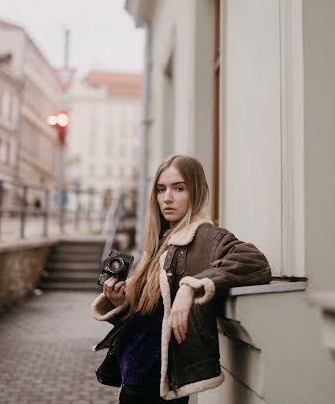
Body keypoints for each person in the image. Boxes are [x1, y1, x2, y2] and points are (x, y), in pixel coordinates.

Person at [92, 154, 271, 403]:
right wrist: (120, 303)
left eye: (179, 188)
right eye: (161, 189)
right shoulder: (159, 243)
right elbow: (147, 316)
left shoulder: (207, 237)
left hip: (161, 382)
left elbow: (255, 262)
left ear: (195, 191)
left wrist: (190, 287)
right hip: (134, 374)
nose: (167, 198)